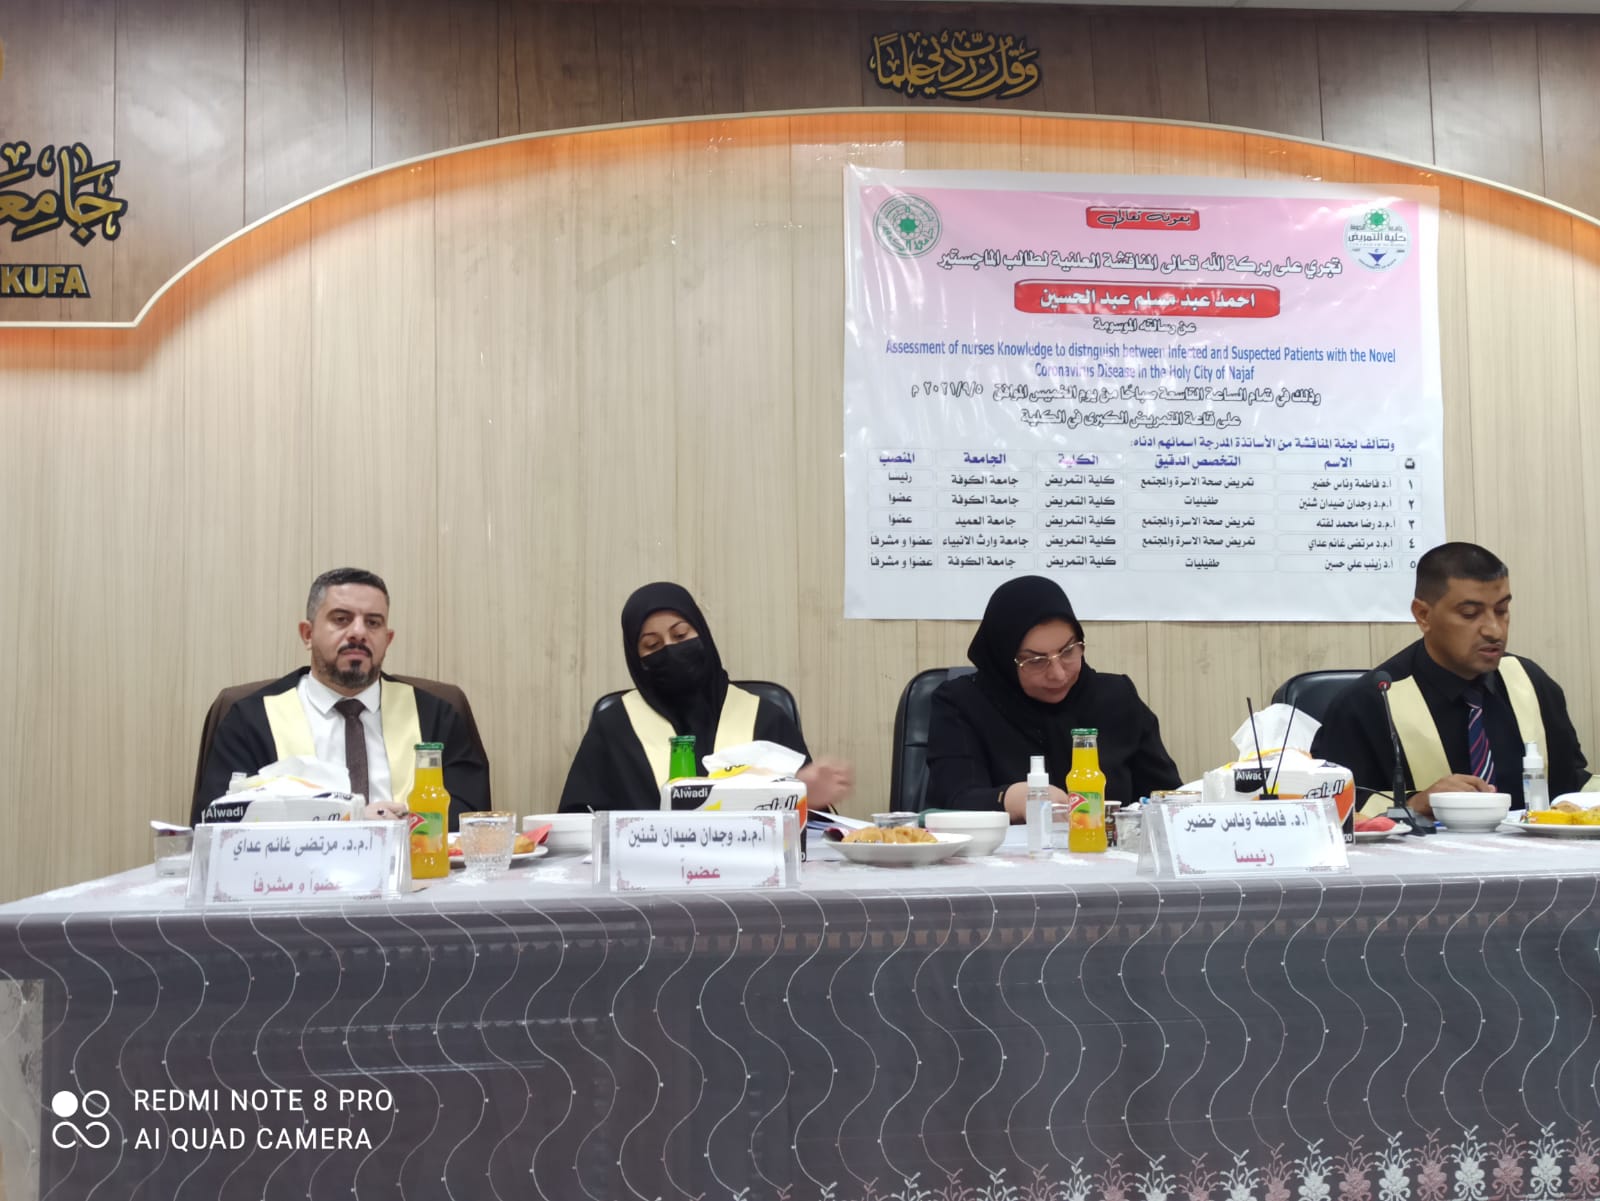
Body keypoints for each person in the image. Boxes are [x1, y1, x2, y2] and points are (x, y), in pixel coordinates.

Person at [1312, 541, 1595, 819]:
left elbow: (1571, 782)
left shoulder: (1531, 682)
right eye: (1470, 614)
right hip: (1421, 850)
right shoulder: (1370, 702)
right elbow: (1328, 805)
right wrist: (1413, 804)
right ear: (1423, 615)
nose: (1494, 630)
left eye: (1501, 610)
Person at [191, 568, 492, 826]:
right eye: (341, 619)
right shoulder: (252, 720)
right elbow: (220, 824)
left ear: (387, 640)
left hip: (415, 873)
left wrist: (403, 826)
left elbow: (471, 820)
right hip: (297, 875)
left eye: (373, 622)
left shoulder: (436, 717)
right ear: (307, 634)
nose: (358, 633)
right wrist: (351, 820)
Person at [559, 582, 852, 812]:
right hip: (641, 871)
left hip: (751, 871)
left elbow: (810, 832)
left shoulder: (765, 717)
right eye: (652, 645)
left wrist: (806, 797)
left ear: (703, 633)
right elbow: (579, 822)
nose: (670, 649)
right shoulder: (614, 727)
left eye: (680, 635)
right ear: (636, 660)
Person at [925, 575, 1180, 817]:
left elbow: (1167, 797)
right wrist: (1009, 800)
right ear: (1003, 660)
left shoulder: (1116, 697)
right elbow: (953, 801)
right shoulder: (961, 704)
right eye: (1036, 661)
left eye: (1068, 651)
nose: (1058, 674)